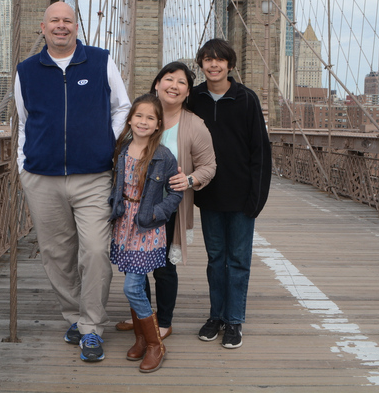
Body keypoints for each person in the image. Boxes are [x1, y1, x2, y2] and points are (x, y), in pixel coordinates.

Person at [14, 1, 131, 362]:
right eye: (54, 21)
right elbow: (24, 120)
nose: (61, 26)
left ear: (76, 27)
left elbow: (122, 107)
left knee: (95, 250)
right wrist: (23, 165)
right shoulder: (26, 70)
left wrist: (105, 142)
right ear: (42, 26)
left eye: (67, 20)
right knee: (57, 254)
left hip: (93, 176)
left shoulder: (99, 61)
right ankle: (75, 318)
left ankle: (91, 328)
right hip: (42, 177)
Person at [114, 62, 216, 338]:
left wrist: (190, 180)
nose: (174, 85)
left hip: (166, 208)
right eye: (168, 78)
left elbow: (209, 166)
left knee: (162, 267)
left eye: (181, 82)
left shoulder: (194, 125)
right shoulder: (138, 119)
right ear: (156, 84)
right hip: (132, 209)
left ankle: (164, 322)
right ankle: (143, 318)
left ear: (187, 92)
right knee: (137, 264)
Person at [188, 38, 272, 349]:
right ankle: (216, 316)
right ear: (201, 64)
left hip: (241, 198)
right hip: (209, 196)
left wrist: (257, 199)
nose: (213, 64)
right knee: (215, 260)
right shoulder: (193, 98)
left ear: (230, 65)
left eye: (219, 60)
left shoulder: (246, 99)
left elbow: (260, 153)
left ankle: (234, 320)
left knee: (238, 261)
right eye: (207, 59)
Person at [108, 94, 183, 373]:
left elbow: (176, 191)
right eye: (139, 116)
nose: (143, 121)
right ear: (130, 119)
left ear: (158, 125)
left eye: (150, 118)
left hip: (147, 226)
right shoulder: (122, 150)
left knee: (131, 287)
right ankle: (140, 338)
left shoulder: (163, 156)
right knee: (134, 284)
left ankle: (155, 345)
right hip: (123, 224)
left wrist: (158, 214)